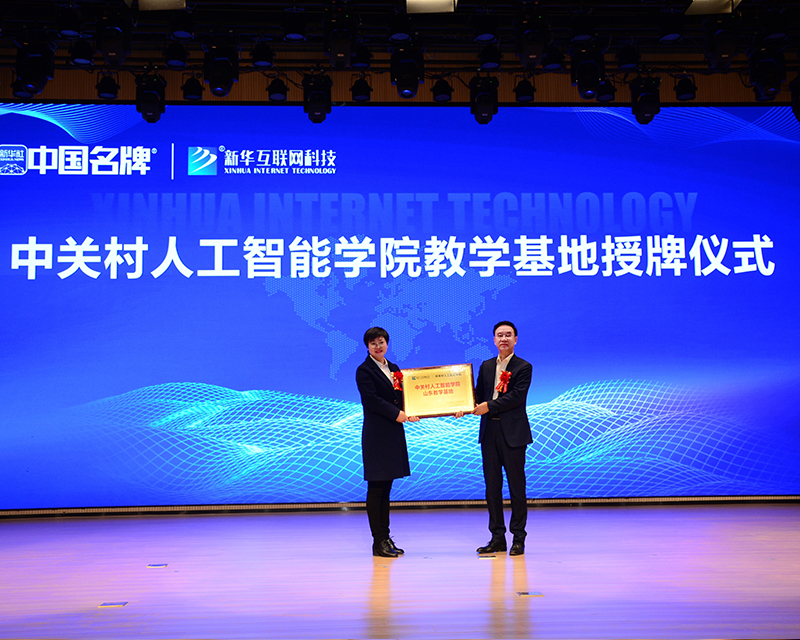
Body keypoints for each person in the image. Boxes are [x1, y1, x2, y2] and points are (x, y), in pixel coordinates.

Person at [470, 321, 532, 556]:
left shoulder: (523, 367)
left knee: (517, 487)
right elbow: (477, 395)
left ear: (515, 339)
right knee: (492, 487)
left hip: (513, 435)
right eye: (499, 335)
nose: (504, 338)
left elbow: (516, 397)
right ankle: (497, 538)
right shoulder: (487, 366)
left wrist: (488, 406)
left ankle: (518, 538)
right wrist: (461, 404)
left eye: (508, 335)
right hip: (489, 433)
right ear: (494, 340)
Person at [356, 327, 419, 558]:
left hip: (393, 433)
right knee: (376, 489)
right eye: (373, 343)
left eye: (381, 342)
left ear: (387, 343)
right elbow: (372, 400)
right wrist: (397, 413)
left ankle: (385, 537)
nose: (378, 346)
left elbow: (404, 397)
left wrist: (413, 410)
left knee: (386, 488)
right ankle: (378, 541)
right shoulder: (364, 370)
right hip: (376, 435)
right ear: (367, 346)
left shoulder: (394, 368)